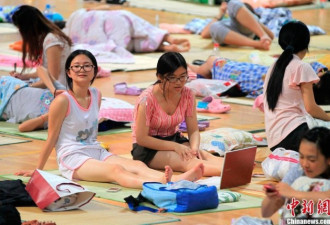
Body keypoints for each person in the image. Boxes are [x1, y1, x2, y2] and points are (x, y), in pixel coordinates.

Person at [15, 50, 204, 189]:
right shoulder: (62, 101)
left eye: (87, 65)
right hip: (72, 157)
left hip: (96, 150)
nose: (82, 69)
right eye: (77, 66)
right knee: (116, 171)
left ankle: (171, 179)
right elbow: (51, 138)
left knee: (136, 165)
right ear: (69, 72)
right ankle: (165, 184)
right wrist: (38, 169)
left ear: (95, 70)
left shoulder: (96, 94)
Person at [131, 52, 223, 176]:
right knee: (187, 161)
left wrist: (194, 147)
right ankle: (231, 171)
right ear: (160, 77)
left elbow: (194, 130)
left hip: (173, 138)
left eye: (183, 77)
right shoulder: (147, 100)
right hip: (148, 147)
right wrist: (175, 146)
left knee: (203, 154)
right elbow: (142, 139)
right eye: (172, 78)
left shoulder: (188, 94)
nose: (179, 82)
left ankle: (239, 166)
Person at [263, 21, 330, 152]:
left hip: (274, 139)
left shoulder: (274, 66)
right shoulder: (302, 66)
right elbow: (311, 108)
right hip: (293, 133)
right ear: (306, 43)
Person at [261, 127, 330, 223]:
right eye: (301, 157)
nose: (305, 164)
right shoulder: (299, 170)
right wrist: (272, 197)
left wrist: (292, 193)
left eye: (312, 160)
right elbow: (266, 213)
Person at [188, 55, 330, 99]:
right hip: (246, 77)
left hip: (241, 74)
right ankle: (196, 69)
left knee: (213, 60)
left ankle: (190, 67)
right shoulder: (307, 93)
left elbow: (315, 66)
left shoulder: (302, 76)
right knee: (211, 66)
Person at [63, 6, 190, 55]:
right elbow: (106, 7)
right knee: (139, 25)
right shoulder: (80, 14)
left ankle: (163, 47)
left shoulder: (75, 19)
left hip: (115, 26)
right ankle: (168, 38)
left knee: (132, 44)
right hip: (120, 18)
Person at [10, 5, 72, 88]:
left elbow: (53, 79)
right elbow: (45, 72)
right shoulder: (48, 38)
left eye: (20, 29)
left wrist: (27, 87)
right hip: (55, 87)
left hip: (60, 91)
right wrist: (23, 76)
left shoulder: (52, 40)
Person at [0, 66, 64, 132]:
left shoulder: (53, 121)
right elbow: (40, 69)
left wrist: (47, 116)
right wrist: (53, 90)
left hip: (5, 109)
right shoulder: (63, 93)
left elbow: (22, 127)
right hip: (9, 87)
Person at [200, 0, 274, 50]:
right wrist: (220, 13)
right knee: (214, 27)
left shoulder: (239, 5)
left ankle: (261, 37)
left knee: (233, 3)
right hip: (233, 34)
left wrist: (254, 21)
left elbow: (271, 36)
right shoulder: (224, 21)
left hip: (250, 28)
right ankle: (257, 44)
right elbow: (204, 34)